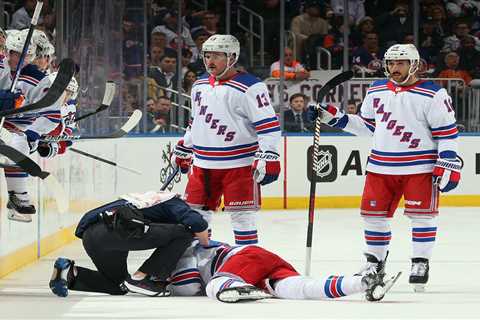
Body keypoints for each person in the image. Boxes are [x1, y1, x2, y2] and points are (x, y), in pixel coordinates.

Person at [308, 44, 461, 292]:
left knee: (421, 217)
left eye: (400, 63)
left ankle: (420, 262)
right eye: (390, 63)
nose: (394, 68)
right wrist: (333, 117)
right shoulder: (377, 89)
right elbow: (367, 126)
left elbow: (447, 132)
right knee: (373, 217)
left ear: (415, 65)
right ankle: (374, 262)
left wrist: (448, 160)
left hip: (419, 167)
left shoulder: (434, 94)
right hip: (380, 166)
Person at [171, 34, 281, 245]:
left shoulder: (251, 87)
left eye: (217, 56)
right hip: (203, 164)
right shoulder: (199, 85)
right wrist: (185, 146)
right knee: (196, 217)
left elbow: (268, 126)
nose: (209, 61)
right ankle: (199, 264)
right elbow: (196, 122)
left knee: (242, 219)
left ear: (232, 57)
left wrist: (270, 155)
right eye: (207, 55)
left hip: (239, 165)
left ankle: (246, 265)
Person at [49, 191, 209, 297]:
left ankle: (70, 272)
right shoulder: (175, 202)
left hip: (92, 237)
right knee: (184, 233)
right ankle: (141, 278)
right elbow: (197, 223)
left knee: (118, 285)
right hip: (114, 232)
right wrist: (205, 243)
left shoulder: (148, 200)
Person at [168, 240, 401, 303]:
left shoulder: (187, 251)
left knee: (214, 286)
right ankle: (362, 283)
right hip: (264, 268)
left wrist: (165, 283)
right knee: (303, 289)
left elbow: (188, 287)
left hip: (245, 258)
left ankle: (236, 288)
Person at [0, 29, 63, 222]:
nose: (17, 58)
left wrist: (33, 133)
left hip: (20, 129)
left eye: (24, 54)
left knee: (16, 146)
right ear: (8, 51)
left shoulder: (38, 79)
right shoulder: (1, 66)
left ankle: (18, 197)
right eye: (14, 53)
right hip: (2, 124)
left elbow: (52, 115)